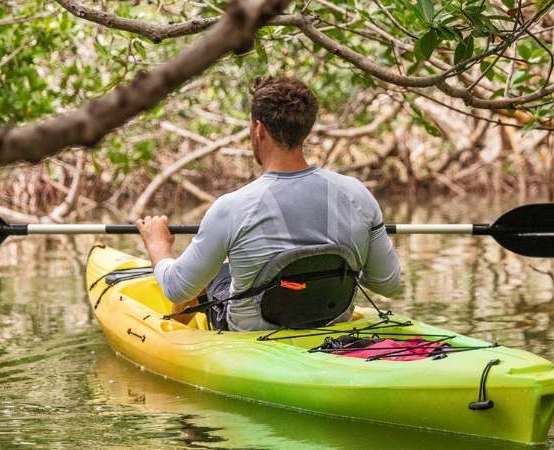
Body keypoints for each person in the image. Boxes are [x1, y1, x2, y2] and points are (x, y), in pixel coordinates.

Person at [135, 76, 402, 331]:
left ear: (258, 129)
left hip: (250, 337)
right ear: (306, 129)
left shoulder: (231, 208)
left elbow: (176, 288)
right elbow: (388, 284)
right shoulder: (358, 194)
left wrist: (158, 245)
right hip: (332, 324)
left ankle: (174, 329)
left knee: (211, 276)